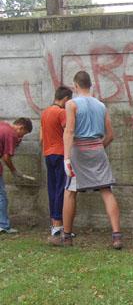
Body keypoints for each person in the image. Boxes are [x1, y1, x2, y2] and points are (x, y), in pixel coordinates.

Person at [48, 71, 122, 249]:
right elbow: (110, 135)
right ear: (91, 85)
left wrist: (66, 158)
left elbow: (69, 131)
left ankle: (66, 237)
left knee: (70, 192)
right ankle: (117, 236)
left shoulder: (71, 104)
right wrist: (97, 147)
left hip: (78, 151)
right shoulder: (101, 105)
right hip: (98, 148)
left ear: (75, 86)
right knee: (106, 190)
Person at [40, 85, 73, 237]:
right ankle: (59, 225)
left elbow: (41, 137)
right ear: (66, 99)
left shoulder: (45, 113)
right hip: (60, 154)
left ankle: (54, 224)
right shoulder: (61, 113)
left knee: (52, 188)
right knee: (62, 188)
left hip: (48, 154)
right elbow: (69, 131)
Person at [0, 118, 33, 234]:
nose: (22, 137)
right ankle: (3, 225)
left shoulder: (3, 125)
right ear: (21, 127)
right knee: (1, 196)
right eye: (24, 133)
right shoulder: (11, 134)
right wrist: (14, 171)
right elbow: (6, 157)